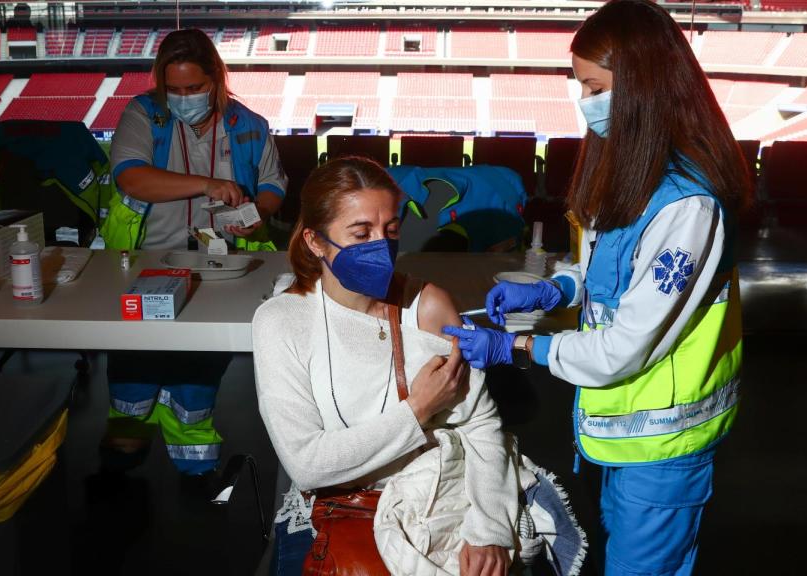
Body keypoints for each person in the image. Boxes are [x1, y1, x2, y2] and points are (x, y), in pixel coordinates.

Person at [443, 1, 750, 574]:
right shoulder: (635, 171)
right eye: (582, 85)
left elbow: (622, 346)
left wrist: (517, 348)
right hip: (620, 433)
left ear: (644, 87)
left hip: (665, 442)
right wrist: (557, 289)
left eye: (595, 87)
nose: (586, 102)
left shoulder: (688, 205)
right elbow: (612, 270)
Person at [253, 157, 516, 576]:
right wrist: (418, 410)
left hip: (435, 501)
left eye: (390, 230)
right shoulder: (282, 321)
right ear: (315, 241)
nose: (380, 245)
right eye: (360, 234)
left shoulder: (427, 307)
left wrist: (489, 531)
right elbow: (306, 464)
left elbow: (481, 427)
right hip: (340, 509)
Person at [103, 28, 287, 478]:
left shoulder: (249, 126)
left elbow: (272, 187)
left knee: (201, 363)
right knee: (136, 364)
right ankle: (128, 442)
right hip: (150, 255)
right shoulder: (143, 114)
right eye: (175, 89)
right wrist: (206, 185)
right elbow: (131, 178)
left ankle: (192, 446)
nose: (184, 98)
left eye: (195, 88)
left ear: (217, 80)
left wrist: (257, 213)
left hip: (223, 264)